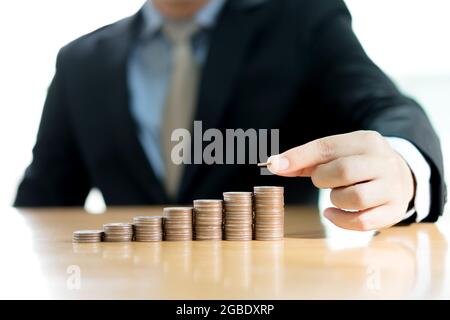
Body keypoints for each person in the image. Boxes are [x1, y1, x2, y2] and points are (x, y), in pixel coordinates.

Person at [14, 0, 446, 231]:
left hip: (266, 290)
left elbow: (385, 106)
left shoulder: (301, 19)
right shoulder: (79, 62)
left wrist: (403, 166)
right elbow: (43, 201)